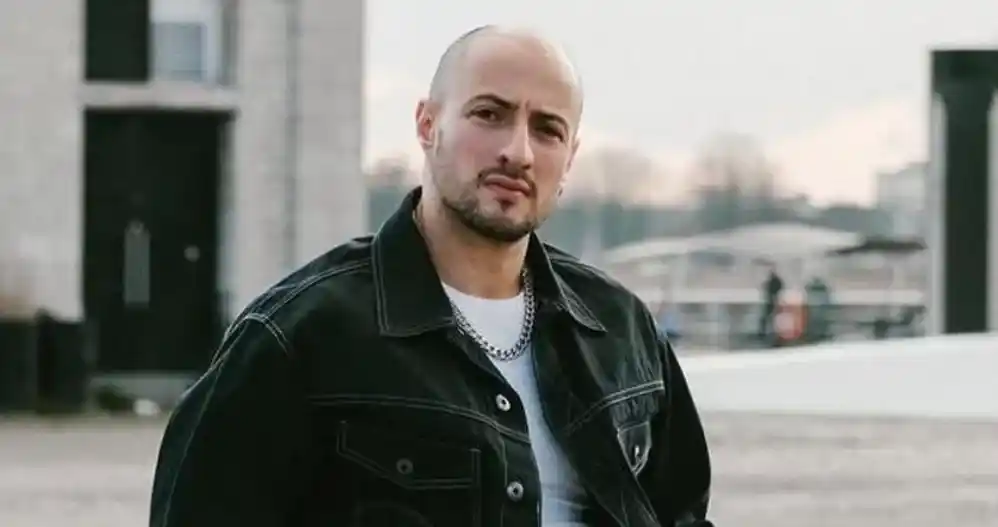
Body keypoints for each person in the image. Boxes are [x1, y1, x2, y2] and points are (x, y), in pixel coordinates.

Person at [150, 25, 715, 527]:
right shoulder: (299, 336)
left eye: (547, 129)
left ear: (569, 159)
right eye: (489, 114)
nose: (518, 151)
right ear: (427, 124)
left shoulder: (621, 328)